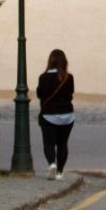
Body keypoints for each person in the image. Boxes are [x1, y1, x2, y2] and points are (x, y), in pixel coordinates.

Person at [36, 48, 75, 180]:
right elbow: (70, 95)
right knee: (63, 144)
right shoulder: (69, 78)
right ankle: (60, 172)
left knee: (49, 143)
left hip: (49, 115)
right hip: (68, 116)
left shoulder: (43, 77)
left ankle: (52, 164)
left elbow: (40, 94)